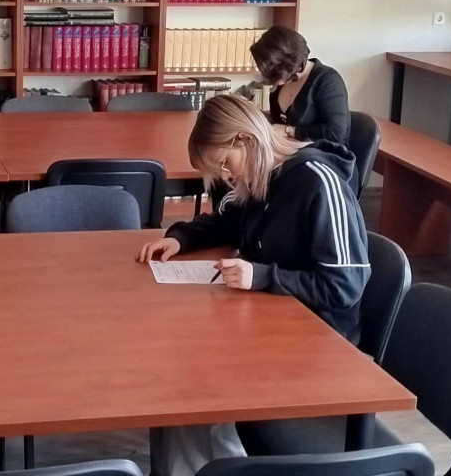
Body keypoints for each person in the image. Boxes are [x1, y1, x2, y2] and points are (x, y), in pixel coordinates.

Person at [135, 94, 370, 476]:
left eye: (225, 164)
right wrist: (181, 238)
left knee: (199, 382)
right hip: (273, 319)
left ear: (246, 140)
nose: (227, 177)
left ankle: (219, 466)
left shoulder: (318, 182)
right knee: (178, 368)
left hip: (319, 340)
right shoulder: (263, 177)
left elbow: (345, 286)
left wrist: (262, 276)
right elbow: (227, 222)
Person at [250, 25, 351, 146]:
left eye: (277, 71)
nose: (277, 82)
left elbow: (336, 132)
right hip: (288, 149)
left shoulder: (327, 80)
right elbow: (278, 121)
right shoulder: (281, 78)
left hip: (322, 153)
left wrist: (292, 131)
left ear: (292, 59)